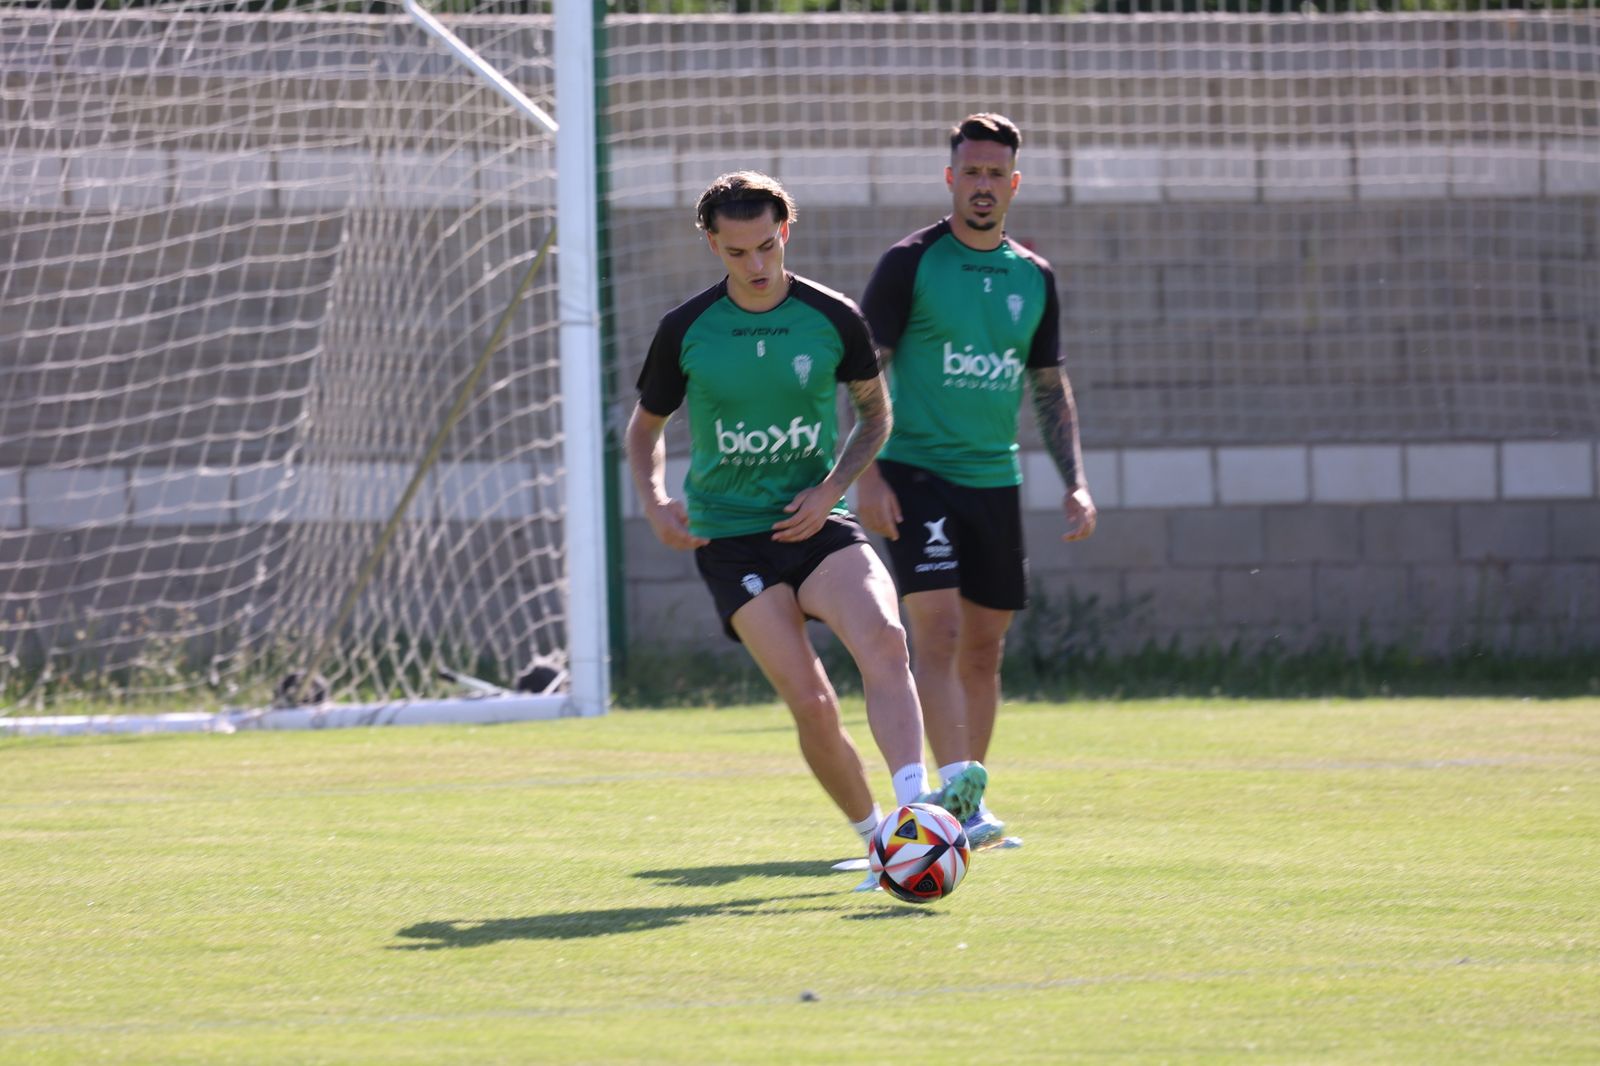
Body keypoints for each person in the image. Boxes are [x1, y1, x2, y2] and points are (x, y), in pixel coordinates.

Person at [624, 171, 987, 883]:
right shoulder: (686, 330)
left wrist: (831, 489)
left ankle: (917, 813)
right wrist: (655, 497)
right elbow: (644, 431)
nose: (756, 267)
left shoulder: (832, 316)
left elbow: (875, 416)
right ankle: (879, 838)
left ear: (785, 231)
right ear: (712, 245)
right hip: (731, 539)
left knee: (885, 641)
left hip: (819, 524)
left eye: (766, 247)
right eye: (737, 254)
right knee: (813, 702)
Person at [856, 114, 1097, 848]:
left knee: (986, 647)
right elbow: (864, 374)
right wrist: (864, 476)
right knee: (940, 630)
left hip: (994, 480)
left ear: (1014, 184)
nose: (983, 185)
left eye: (997, 174)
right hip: (916, 471)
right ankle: (951, 786)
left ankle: (966, 803)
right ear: (950, 178)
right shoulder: (911, 263)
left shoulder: (1034, 276)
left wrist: (1076, 481)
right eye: (972, 172)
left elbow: (1050, 387)